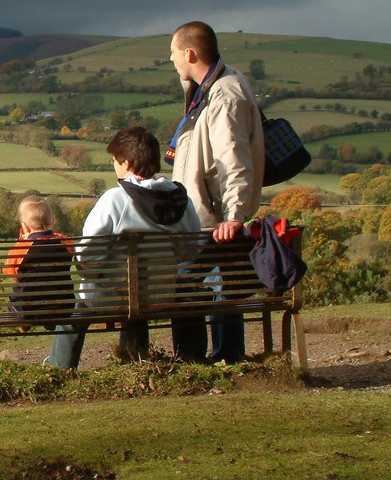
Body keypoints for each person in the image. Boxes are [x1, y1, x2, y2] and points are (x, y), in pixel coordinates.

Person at [47, 126, 200, 368]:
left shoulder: (114, 200)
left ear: (126, 163)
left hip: (111, 296)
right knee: (143, 300)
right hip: (162, 294)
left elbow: (87, 256)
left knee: (73, 316)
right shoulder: (182, 200)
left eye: (115, 161)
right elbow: (190, 251)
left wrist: (93, 275)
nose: (114, 166)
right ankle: (151, 363)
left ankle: (58, 371)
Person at [166, 20, 264, 363]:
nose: (172, 61)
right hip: (210, 213)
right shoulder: (215, 87)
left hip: (212, 216)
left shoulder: (223, 96)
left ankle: (202, 358)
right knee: (217, 284)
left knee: (191, 283)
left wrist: (234, 214)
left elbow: (232, 157)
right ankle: (225, 355)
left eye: (174, 54)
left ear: (189, 53)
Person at [2, 195, 76, 331]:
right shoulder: (65, 242)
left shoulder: (22, 248)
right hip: (63, 307)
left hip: (28, 309)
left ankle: (24, 322)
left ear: (24, 226)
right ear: (53, 220)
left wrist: (22, 240)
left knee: (14, 299)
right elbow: (65, 241)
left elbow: (11, 273)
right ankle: (51, 322)